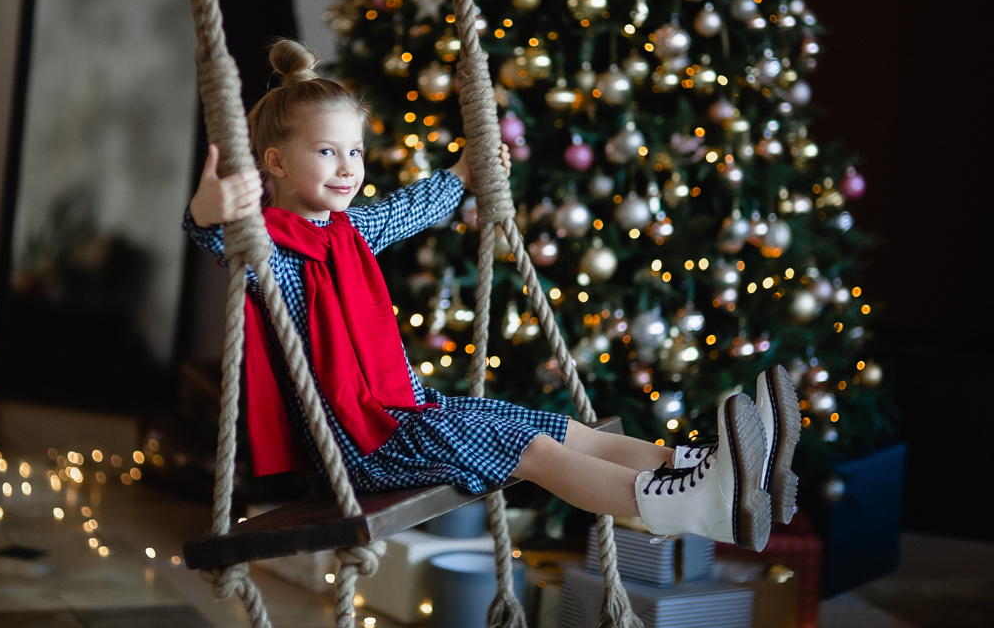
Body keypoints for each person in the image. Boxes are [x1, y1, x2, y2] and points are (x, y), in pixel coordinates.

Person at [184, 39, 801, 552]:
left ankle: (713, 472)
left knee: (559, 429)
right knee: (532, 449)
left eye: (355, 151)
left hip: (410, 413)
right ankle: (692, 508)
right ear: (275, 162)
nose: (348, 167)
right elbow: (217, 239)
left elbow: (411, 207)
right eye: (326, 151)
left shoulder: (349, 231)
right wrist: (211, 212)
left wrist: (464, 176)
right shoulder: (267, 249)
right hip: (364, 445)